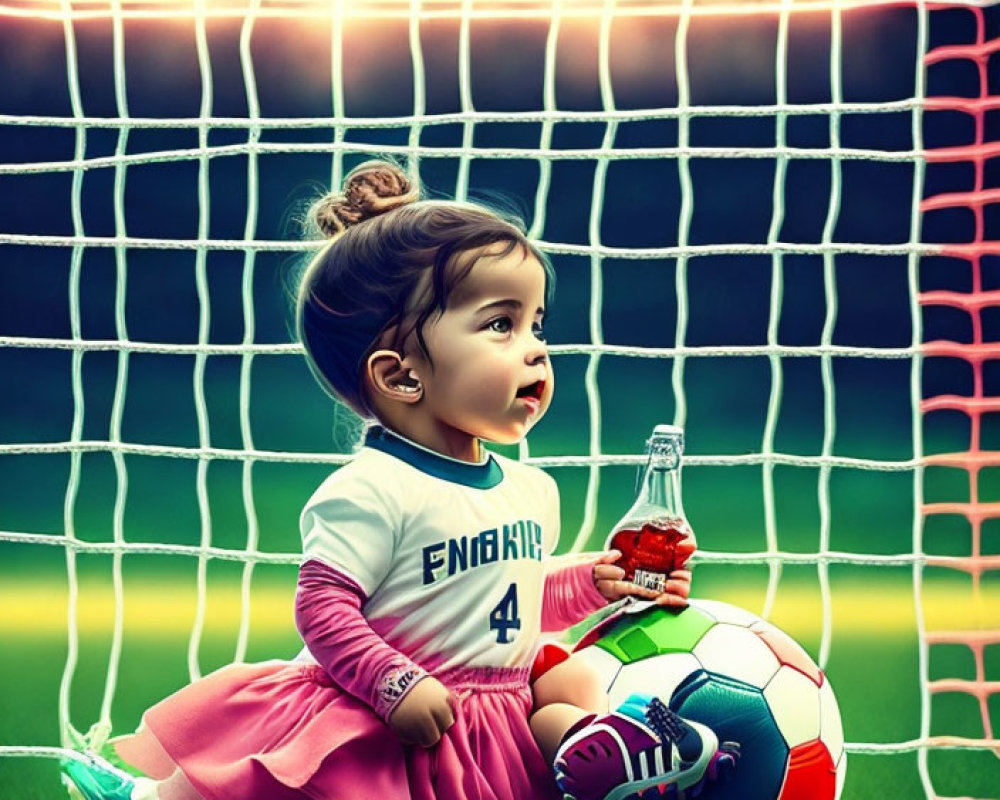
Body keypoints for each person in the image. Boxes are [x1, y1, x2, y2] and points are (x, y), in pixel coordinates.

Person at [61, 159, 728, 800]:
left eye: (536, 323)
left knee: (571, 678)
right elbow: (322, 610)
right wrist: (392, 684)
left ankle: (608, 751)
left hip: (489, 711)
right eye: (501, 324)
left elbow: (505, 603)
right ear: (401, 375)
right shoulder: (372, 490)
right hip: (389, 713)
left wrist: (589, 583)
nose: (535, 347)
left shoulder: (531, 491)